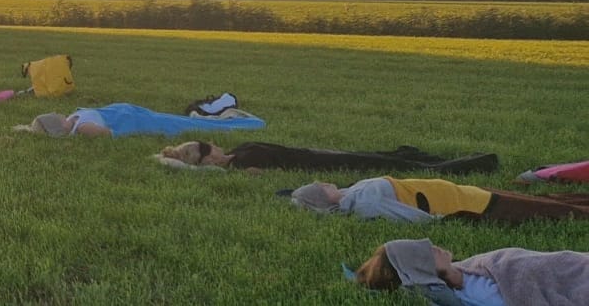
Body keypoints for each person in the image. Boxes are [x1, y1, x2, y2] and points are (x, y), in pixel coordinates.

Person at [353, 238, 588, 306]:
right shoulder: (477, 296)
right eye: (425, 252)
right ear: (421, 269)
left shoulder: (470, 266)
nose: (433, 246)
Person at [291, 176, 589, 223]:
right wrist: (439, 221)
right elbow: (407, 216)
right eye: (319, 187)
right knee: (556, 211)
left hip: (466, 191)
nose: (323, 182)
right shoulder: (365, 204)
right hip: (471, 205)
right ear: (323, 198)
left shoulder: (352, 191)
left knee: (548, 199)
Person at [162, 141, 498, 173]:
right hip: (324, 163)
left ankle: (430, 157)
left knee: (384, 156)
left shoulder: (241, 149)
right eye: (207, 147)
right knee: (392, 165)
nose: (214, 144)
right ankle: (479, 162)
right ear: (208, 160)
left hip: (319, 154)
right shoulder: (243, 164)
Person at [21, 103, 265, 138]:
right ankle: (239, 124)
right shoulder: (81, 125)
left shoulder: (75, 120)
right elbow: (109, 134)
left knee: (178, 120)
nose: (59, 114)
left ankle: (228, 121)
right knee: (183, 124)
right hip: (135, 119)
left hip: (134, 113)